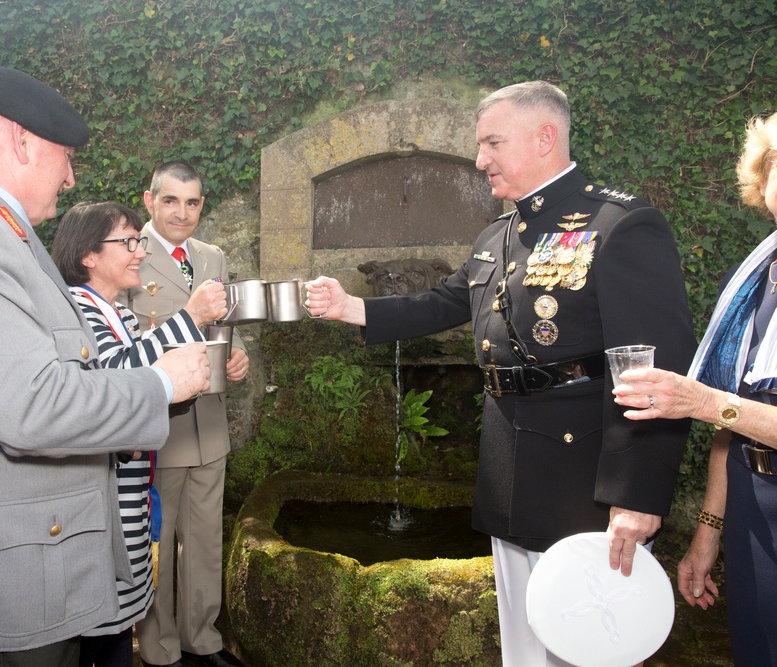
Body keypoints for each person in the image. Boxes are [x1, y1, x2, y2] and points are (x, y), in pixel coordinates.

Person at [304, 80, 696, 666]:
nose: (480, 159)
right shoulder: (498, 235)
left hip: (583, 483)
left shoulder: (619, 225)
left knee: (595, 643)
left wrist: (637, 493)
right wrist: (351, 308)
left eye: (492, 143)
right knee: (525, 643)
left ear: (544, 137)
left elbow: (653, 371)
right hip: (508, 469)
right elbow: (445, 301)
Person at [0, 67, 211, 666]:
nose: (72, 176)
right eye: (65, 157)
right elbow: (32, 405)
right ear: (22, 140)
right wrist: (161, 381)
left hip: (14, 577)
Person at [613, 112, 777, 666]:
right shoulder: (759, 275)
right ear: (763, 180)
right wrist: (708, 535)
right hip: (755, 511)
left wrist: (703, 401)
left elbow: (723, 407)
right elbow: (739, 420)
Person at [52, 200, 228, 667]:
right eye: (127, 242)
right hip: (102, 496)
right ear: (88, 255)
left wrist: (191, 382)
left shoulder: (121, 316)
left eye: (139, 241)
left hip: (130, 490)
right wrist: (188, 317)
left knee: (117, 622)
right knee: (97, 627)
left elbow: (144, 392)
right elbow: (114, 377)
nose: (138, 252)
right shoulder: (75, 309)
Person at [120, 161, 249, 667]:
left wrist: (239, 356)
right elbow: (125, 347)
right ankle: (159, 648)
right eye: (170, 200)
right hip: (161, 427)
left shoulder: (211, 256)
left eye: (192, 202)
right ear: (149, 201)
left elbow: (228, 326)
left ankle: (202, 639)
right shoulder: (129, 255)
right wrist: (188, 313)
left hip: (209, 424)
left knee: (203, 541)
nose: (182, 212)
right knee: (158, 543)